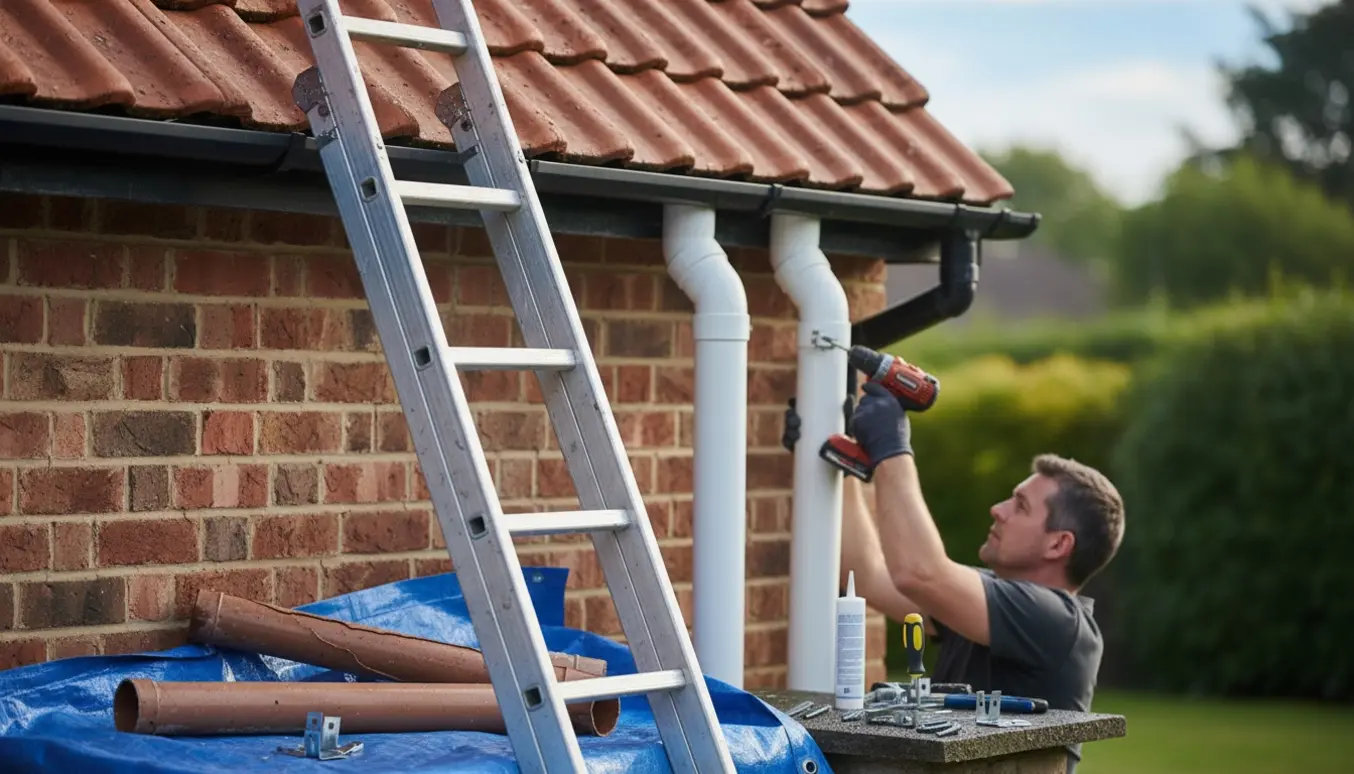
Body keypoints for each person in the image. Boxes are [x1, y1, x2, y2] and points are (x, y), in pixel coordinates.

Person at [835, 383, 1126, 773]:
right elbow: (867, 576)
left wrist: (892, 448)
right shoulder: (989, 603)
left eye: (1020, 506)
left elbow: (919, 573)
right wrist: (847, 471)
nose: (997, 509)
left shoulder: (1058, 622)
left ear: (1058, 545)